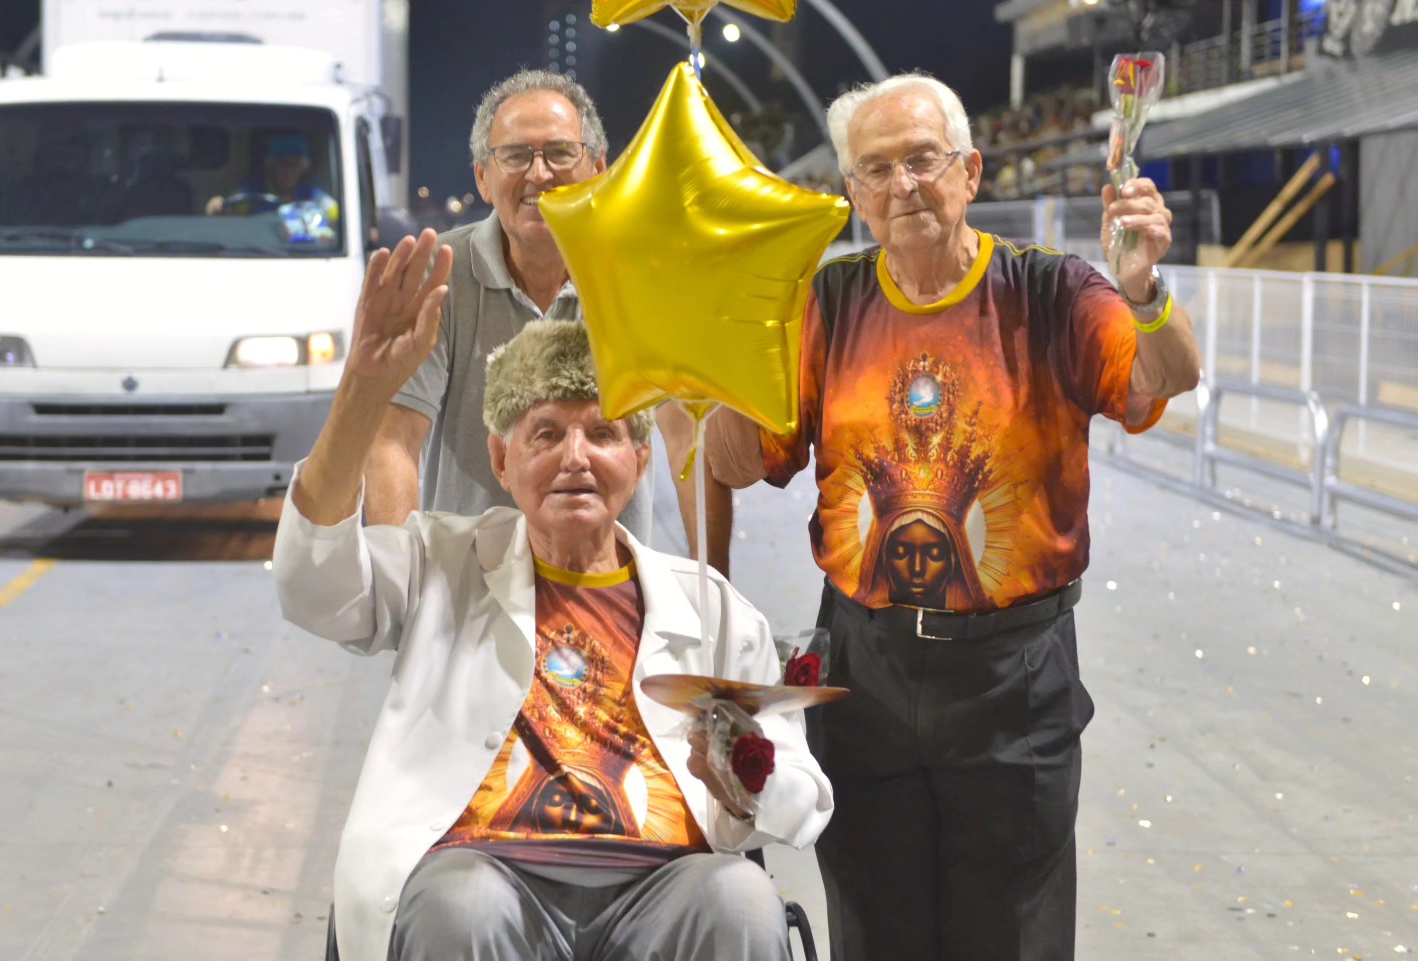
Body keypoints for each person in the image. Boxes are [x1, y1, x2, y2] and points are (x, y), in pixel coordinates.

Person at [700, 73, 1202, 961]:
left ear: (969, 171)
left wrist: (1145, 291)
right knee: (874, 927)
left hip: (1014, 674)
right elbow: (741, 465)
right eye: (877, 169)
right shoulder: (825, 305)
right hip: (865, 664)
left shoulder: (1052, 291)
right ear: (852, 192)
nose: (903, 186)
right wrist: (723, 351)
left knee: (1012, 935)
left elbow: (1166, 378)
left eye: (923, 160)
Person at [273, 229, 833, 961]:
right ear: (503, 460)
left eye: (602, 432)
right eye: (546, 433)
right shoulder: (441, 562)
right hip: (488, 868)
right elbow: (312, 582)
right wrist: (363, 390)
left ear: (637, 459)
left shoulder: (712, 609)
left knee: (741, 897)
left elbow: (803, 791)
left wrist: (741, 781)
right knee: (460, 903)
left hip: (660, 881)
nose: (576, 458)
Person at [363, 70, 668, 549]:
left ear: (599, 169)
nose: (539, 173)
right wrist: (399, 586)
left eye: (560, 152)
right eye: (516, 155)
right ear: (483, 179)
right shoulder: (438, 274)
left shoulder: (643, 278)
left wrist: (713, 586)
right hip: (468, 584)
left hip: (608, 588)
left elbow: (689, 433)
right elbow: (393, 441)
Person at [206, 133, 339, 241]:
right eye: (283, 164)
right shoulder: (252, 190)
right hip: (257, 253)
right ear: (272, 166)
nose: (288, 171)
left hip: (302, 255)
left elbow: (338, 213)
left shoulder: (311, 194)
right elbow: (229, 212)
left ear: (303, 168)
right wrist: (217, 207)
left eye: (295, 165)